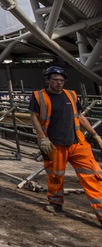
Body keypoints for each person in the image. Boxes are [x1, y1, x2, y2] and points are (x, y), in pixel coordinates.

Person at [28, 65, 102, 226]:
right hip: (53, 144)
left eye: (61, 80)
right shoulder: (38, 96)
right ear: (48, 80)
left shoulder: (71, 95)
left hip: (77, 143)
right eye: (55, 80)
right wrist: (42, 137)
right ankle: (55, 203)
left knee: (94, 177)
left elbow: (80, 116)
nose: (59, 83)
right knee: (55, 176)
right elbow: (34, 117)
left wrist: (95, 135)